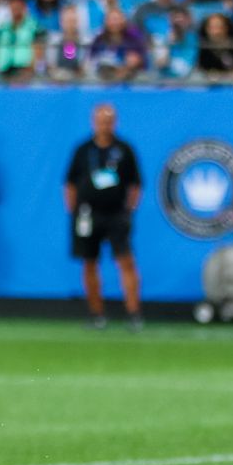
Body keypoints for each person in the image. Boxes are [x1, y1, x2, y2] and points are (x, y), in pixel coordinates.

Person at [65, 104, 143, 331]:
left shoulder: (124, 149)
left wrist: (129, 211)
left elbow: (136, 184)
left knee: (125, 261)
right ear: (93, 122)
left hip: (116, 214)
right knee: (89, 263)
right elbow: (69, 183)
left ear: (115, 123)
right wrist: (74, 212)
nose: (104, 125)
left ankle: (133, 313)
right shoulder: (83, 150)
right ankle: (96, 314)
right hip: (88, 214)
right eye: (100, 120)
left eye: (108, 121)